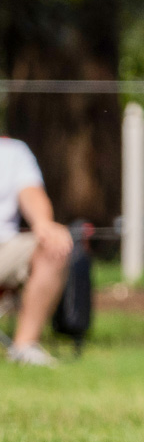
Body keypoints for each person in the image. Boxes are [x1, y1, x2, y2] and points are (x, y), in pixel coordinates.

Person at [0, 136, 72, 367]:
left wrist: (43, 223)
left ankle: (24, 348)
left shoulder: (13, 151)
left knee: (54, 245)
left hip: (5, 248)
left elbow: (31, 191)